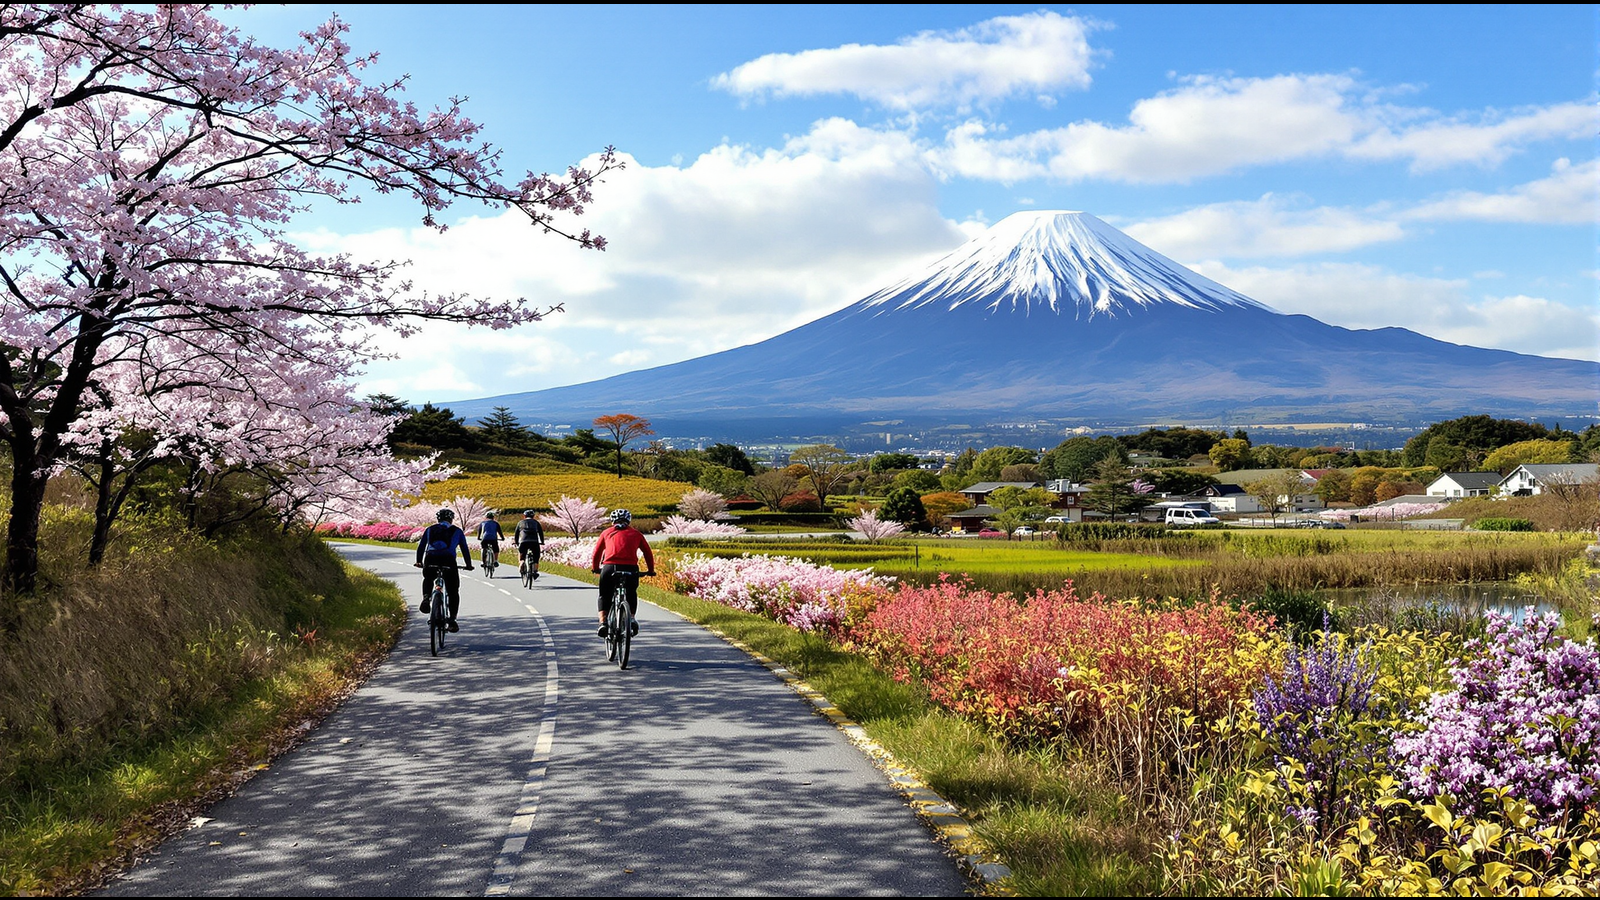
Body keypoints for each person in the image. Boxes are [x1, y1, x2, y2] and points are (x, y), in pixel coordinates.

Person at [589, 508, 654, 638]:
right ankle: (631, 618)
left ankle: (603, 622)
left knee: (604, 595)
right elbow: (647, 553)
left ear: (613, 521)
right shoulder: (636, 534)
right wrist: (651, 570)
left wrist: (595, 567)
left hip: (609, 567)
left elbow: (597, 553)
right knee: (631, 593)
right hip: (631, 568)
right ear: (628, 520)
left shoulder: (606, 532)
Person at [413, 508, 472, 632]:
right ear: (451, 519)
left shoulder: (430, 529)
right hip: (448, 560)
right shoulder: (457, 531)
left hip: (431, 558)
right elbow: (465, 549)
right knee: (453, 591)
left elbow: (421, 546)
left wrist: (419, 561)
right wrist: (468, 565)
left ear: (438, 519)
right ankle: (452, 620)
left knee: (428, 578)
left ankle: (426, 597)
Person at [514, 509, 546, 580]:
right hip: (534, 542)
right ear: (533, 516)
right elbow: (541, 533)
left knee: (522, 554)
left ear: (524, 516)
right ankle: (535, 570)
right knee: (536, 556)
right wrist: (542, 541)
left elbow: (516, 534)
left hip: (523, 541)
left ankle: (522, 562)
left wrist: (516, 542)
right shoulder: (536, 522)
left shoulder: (520, 522)